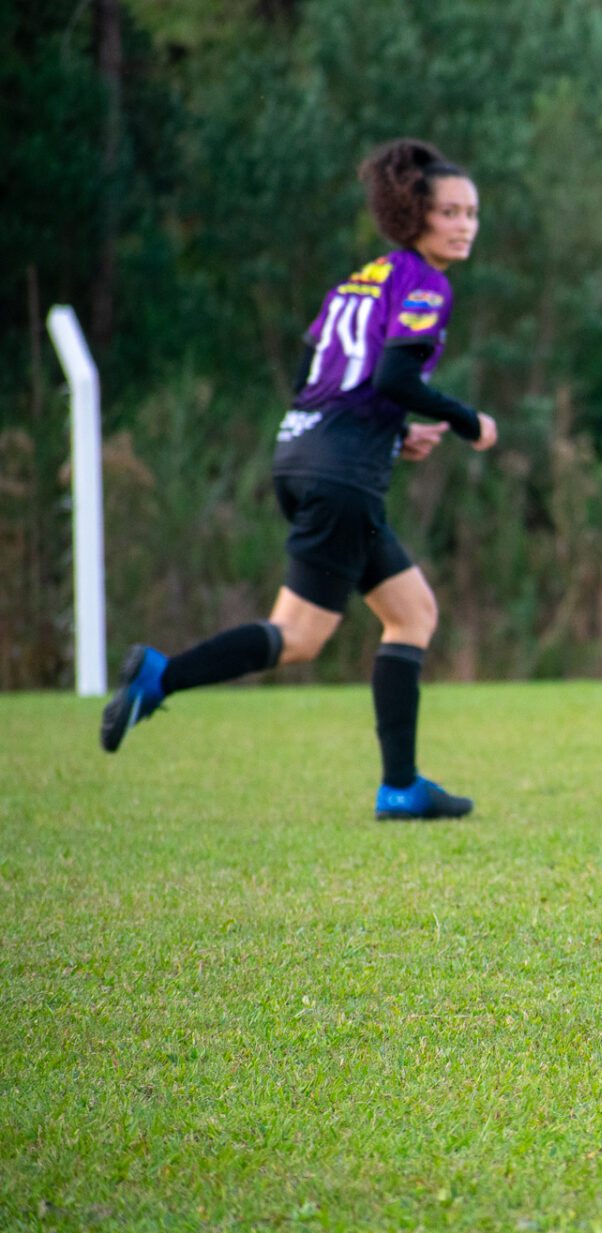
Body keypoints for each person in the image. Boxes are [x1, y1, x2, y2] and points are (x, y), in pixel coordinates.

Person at [99, 139, 498, 821]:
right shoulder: (426, 283)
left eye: (472, 213)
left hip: (302, 456)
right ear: (415, 216)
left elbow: (313, 379)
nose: (464, 225)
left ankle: (401, 786)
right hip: (341, 473)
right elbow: (395, 377)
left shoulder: (360, 280)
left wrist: (396, 434)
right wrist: (468, 421)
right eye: (450, 212)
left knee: (412, 614)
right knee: (300, 636)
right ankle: (163, 677)